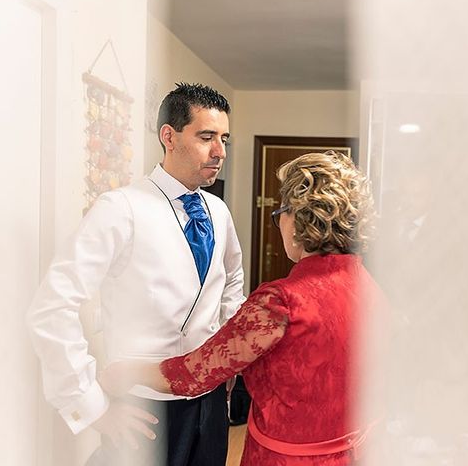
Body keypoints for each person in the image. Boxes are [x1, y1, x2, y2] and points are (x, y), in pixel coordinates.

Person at [100, 151, 379, 465]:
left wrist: (126, 371)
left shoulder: (282, 303)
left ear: (299, 219)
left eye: (280, 212)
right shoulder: (369, 287)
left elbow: (196, 373)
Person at [27, 83, 245, 466]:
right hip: (145, 406)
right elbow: (52, 306)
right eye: (206, 137)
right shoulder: (120, 208)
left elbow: (231, 287)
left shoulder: (219, 212)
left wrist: (224, 363)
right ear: (169, 137)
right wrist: (91, 406)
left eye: (224, 138)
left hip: (209, 407)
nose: (220, 152)